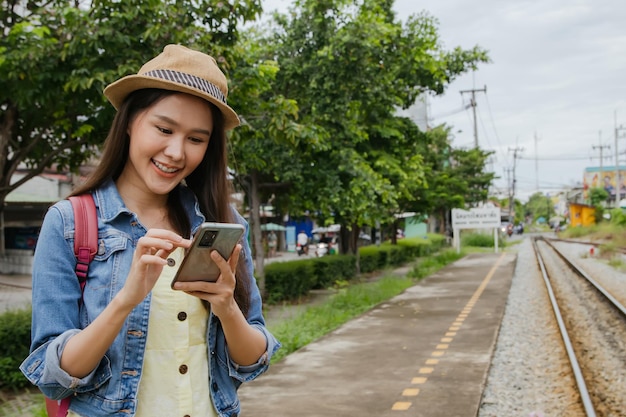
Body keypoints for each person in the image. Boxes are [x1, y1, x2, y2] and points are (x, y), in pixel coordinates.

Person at [20, 44, 280, 417]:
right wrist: (128, 297)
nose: (176, 152)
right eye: (164, 128)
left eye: (196, 139)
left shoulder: (224, 222)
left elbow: (253, 360)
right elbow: (53, 375)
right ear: (129, 121)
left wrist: (225, 305)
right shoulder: (69, 222)